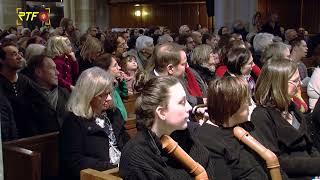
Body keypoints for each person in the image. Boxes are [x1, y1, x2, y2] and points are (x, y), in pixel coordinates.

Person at [119, 76, 217, 179]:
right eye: (182, 102)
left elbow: (207, 168)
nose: (189, 107)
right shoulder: (136, 155)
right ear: (162, 113)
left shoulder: (186, 135)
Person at [251, 59, 320, 179]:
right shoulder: (261, 115)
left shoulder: (292, 108)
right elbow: (276, 161)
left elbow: (310, 146)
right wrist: (315, 166)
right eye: (295, 81)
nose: (299, 84)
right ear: (278, 83)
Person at [60, 67, 129, 180]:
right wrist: (114, 166)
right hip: (99, 176)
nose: (109, 98)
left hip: (122, 171)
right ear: (89, 95)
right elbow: (75, 162)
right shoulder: (74, 121)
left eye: (109, 93)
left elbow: (126, 143)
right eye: (103, 95)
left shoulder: (113, 114)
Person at [197, 76, 269, 179]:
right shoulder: (208, 140)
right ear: (231, 105)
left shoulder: (246, 124)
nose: (249, 104)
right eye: (245, 101)